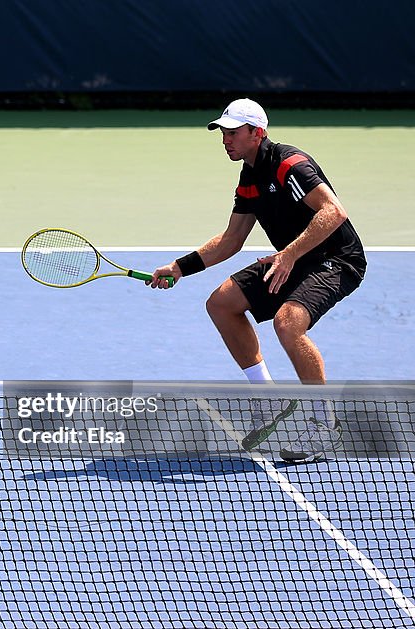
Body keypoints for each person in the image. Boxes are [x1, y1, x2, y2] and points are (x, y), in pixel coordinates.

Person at [150, 98, 365, 463]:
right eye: (223, 133)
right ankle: (268, 396)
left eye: (233, 133)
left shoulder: (289, 164)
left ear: (257, 133)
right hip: (294, 258)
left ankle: (323, 425)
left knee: (288, 322)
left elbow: (334, 211)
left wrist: (289, 254)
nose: (225, 140)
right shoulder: (250, 177)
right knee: (221, 303)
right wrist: (180, 267)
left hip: (337, 260)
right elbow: (232, 240)